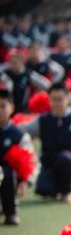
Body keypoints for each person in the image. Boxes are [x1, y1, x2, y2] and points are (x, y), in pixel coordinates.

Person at [18, 82, 71, 203]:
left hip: (70, 161)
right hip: (48, 161)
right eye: (54, 100)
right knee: (43, 190)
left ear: (68, 99)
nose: (57, 103)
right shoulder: (43, 119)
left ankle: (67, 191)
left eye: (60, 99)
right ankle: (54, 188)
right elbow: (21, 131)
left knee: (66, 158)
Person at [0, 89, 33, 225]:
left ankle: (10, 213)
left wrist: (26, 181)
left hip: (9, 177)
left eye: (2, 107)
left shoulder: (18, 134)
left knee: (7, 173)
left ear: (11, 108)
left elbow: (30, 160)